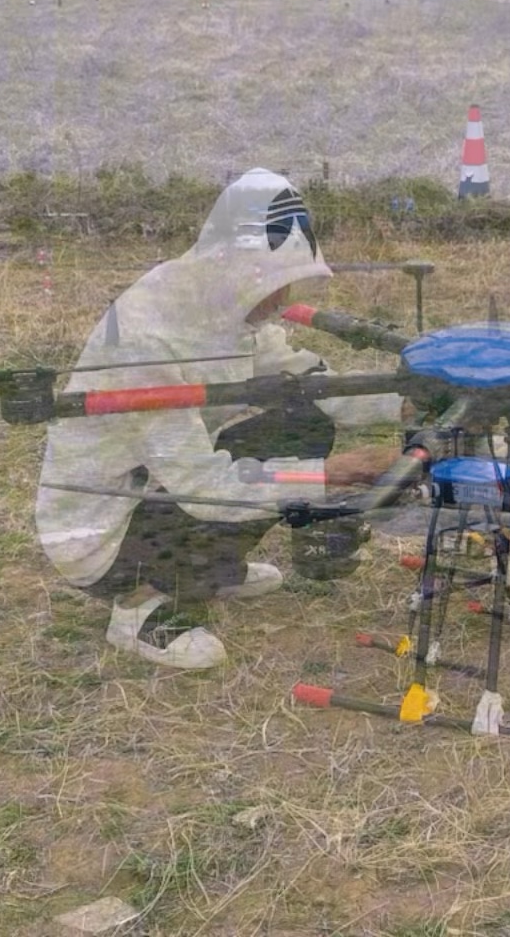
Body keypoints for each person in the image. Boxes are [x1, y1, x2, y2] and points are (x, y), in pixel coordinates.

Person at [34, 169, 403, 669]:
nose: (282, 300)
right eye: (274, 284)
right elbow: (201, 486)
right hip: (103, 525)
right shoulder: (147, 338)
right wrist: (335, 474)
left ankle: (211, 569)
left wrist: (407, 400)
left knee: (303, 422)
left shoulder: (226, 305)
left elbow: (314, 383)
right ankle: (138, 604)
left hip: (162, 480)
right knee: (250, 478)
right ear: (237, 268)